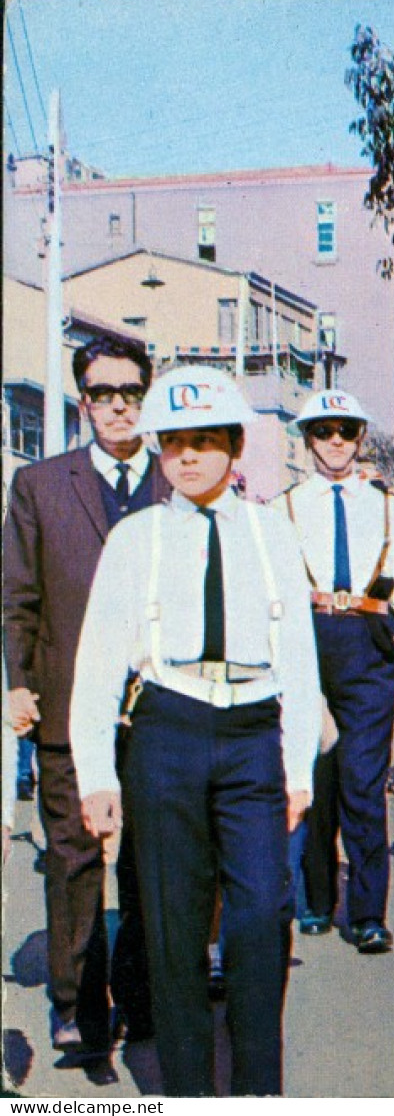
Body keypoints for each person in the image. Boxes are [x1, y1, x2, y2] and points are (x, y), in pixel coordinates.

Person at [69, 365, 321, 1095]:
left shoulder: (272, 532)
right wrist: (96, 774)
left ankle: (256, 1085)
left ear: (235, 446)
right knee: (173, 926)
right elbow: (97, 667)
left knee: (259, 918)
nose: (187, 456)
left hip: (251, 733)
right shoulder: (135, 538)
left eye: (205, 441)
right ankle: (185, 1090)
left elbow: (298, 659)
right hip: (168, 731)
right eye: (173, 442)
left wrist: (297, 767)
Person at [2, 336, 169, 1061]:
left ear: (148, 397)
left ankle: (139, 993)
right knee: (73, 859)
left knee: (150, 859)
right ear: (83, 401)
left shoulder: (177, 480)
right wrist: (17, 683)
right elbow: (19, 596)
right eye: (103, 393)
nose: (118, 406)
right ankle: (74, 1003)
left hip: (163, 709)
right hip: (70, 703)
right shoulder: (41, 485)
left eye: (130, 391)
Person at [273, 390, 394, 954]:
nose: (335, 441)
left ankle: (367, 913)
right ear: (307, 439)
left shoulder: (385, 506)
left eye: (345, 430)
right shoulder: (284, 506)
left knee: (363, 784)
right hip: (307, 644)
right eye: (322, 430)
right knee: (314, 777)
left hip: (367, 646)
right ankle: (316, 898)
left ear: (360, 438)